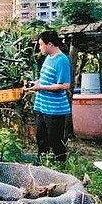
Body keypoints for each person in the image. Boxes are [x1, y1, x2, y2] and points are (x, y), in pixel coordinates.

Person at [26, 30, 72, 162]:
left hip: (55, 110)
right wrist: (35, 83)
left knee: (56, 142)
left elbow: (64, 85)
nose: (40, 47)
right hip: (42, 106)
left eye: (41, 45)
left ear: (50, 44)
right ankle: (42, 166)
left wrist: (40, 87)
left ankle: (61, 167)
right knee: (41, 140)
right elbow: (46, 79)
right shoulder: (48, 58)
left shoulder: (62, 60)